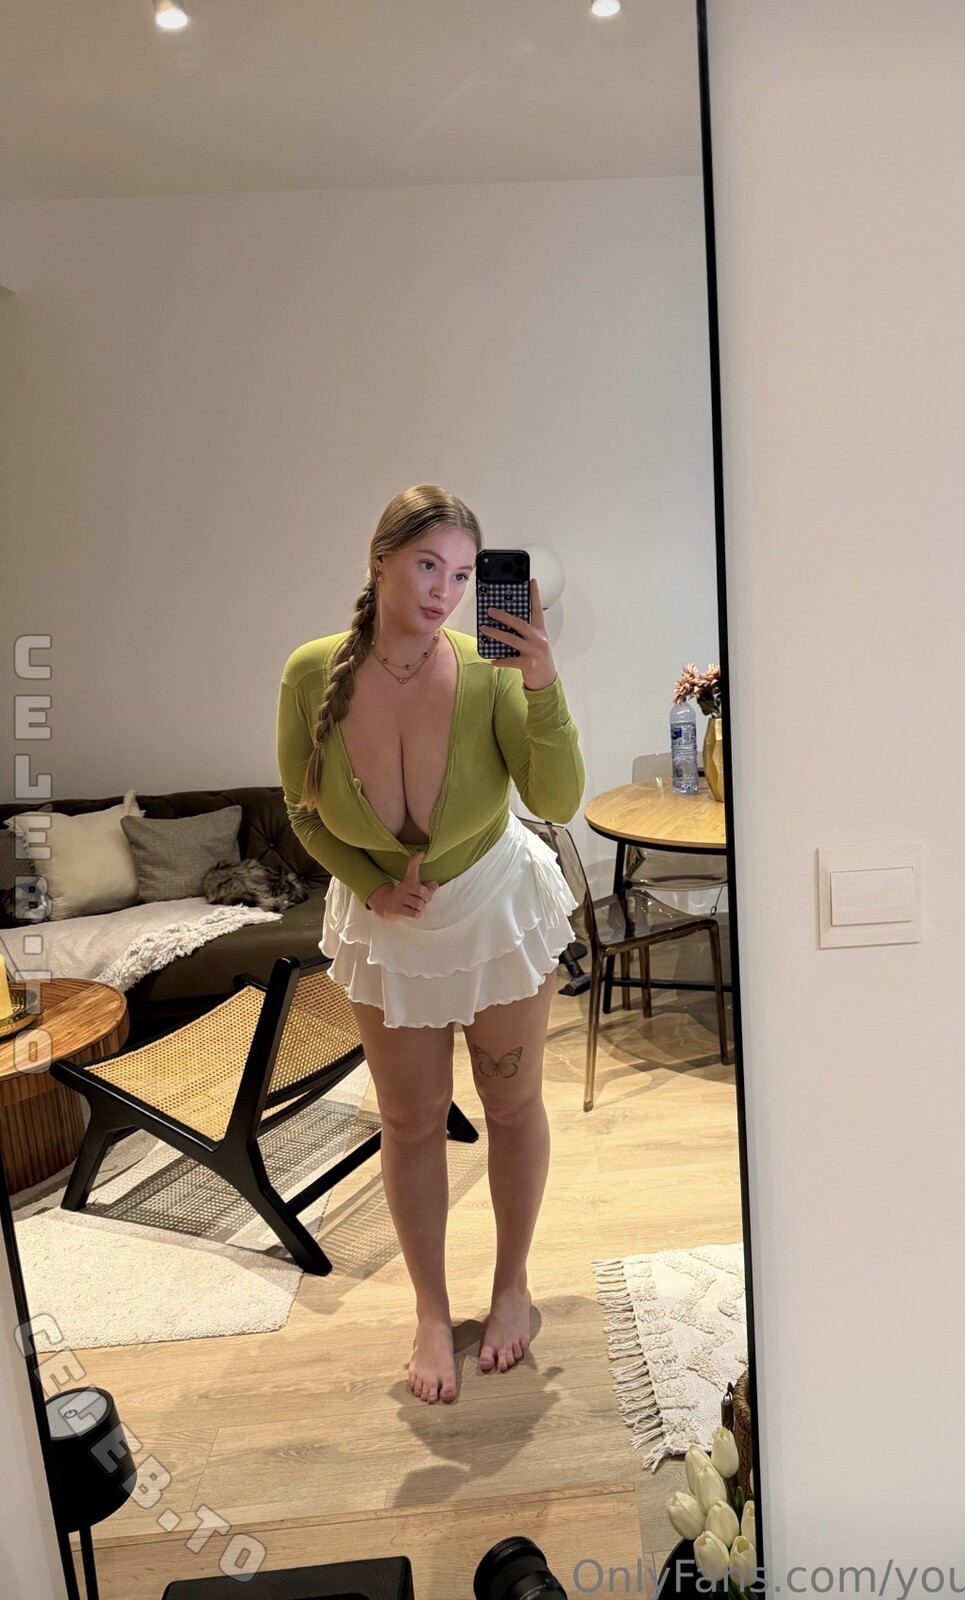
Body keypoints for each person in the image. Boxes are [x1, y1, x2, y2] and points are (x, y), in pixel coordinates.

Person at [276, 485, 584, 1406]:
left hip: (496, 912)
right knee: (410, 1122)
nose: (446, 591)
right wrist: (370, 884)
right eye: (427, 565)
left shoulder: (491, 673)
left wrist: (543, 684)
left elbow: (558, 799)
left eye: (461, 573)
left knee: (512, 1104)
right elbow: (303, 811)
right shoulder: (310, 674)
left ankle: (512, 1286)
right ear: (380, 560)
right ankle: (429, 1311)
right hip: (387, 932)